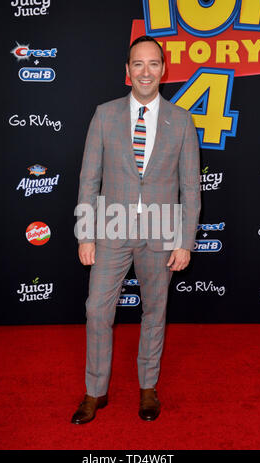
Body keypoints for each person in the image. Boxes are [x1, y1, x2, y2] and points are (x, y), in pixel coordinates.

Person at [71, 35, 201, 424]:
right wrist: (85, 233)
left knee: (155, 312)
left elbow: (190, 186)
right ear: (127, 72)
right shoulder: (104, 114)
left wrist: (185, 240)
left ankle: (148, 388)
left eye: (153, 64)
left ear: (164, 70)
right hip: (111, 229)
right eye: (138, 64)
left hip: (161, 233)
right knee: (97, 310)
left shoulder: (180, 120)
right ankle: (95, 392)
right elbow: (88, 179)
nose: (146, 71)